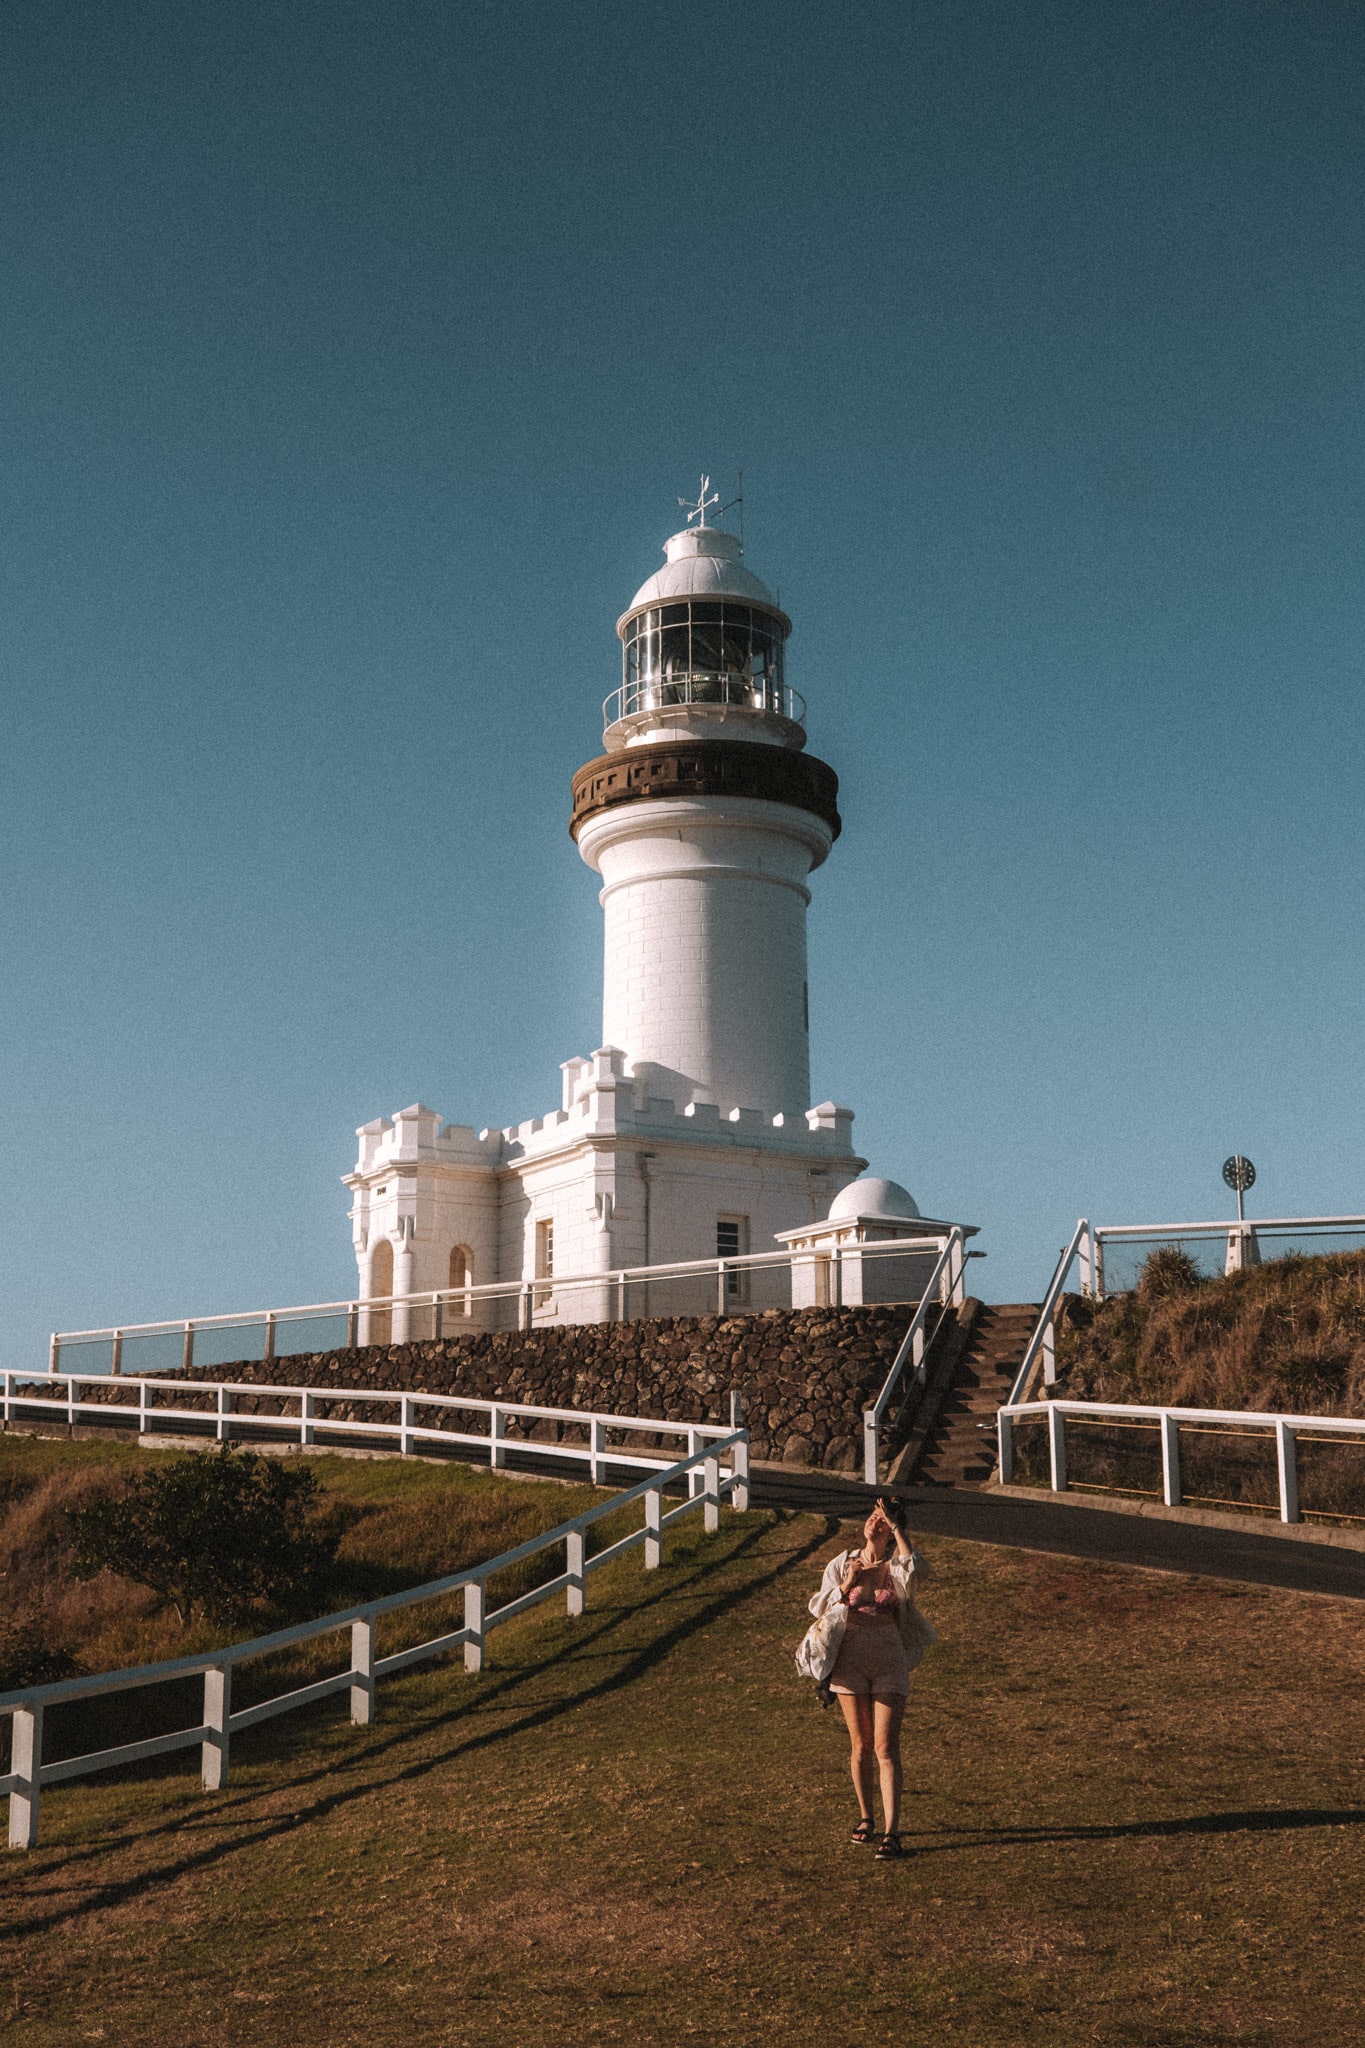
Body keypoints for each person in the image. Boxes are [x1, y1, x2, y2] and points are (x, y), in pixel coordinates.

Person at [807, 1496, 934, 1860]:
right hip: (849, 1660)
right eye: (873, 1517)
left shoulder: (896, 1565)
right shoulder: (842, 1562)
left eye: (882, 1521)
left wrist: (897, 1526)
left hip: (888, 1658)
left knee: (885, 1748)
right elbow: (820, 1606)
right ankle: (866, 1817)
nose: (873, 1524)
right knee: (860, 1745)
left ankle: (893, 1833)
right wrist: (846, 1584)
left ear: (892, 1530)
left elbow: (917, 1571)